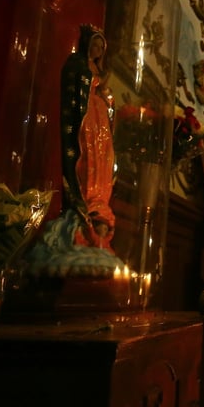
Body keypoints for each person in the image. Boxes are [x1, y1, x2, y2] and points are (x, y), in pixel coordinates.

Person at [60, 24, 116, 251]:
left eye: (102, 47)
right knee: (88, 149)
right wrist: (96, 85)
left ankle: (99, 194)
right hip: (86, 115)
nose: (98, 49)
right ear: (87, 43)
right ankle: (86, 192)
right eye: (95, 44)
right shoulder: (77, 64)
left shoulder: (98, 70)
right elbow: (76, 86)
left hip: (100, 114)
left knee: (104, 155)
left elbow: (107, 96)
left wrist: (106, 94)